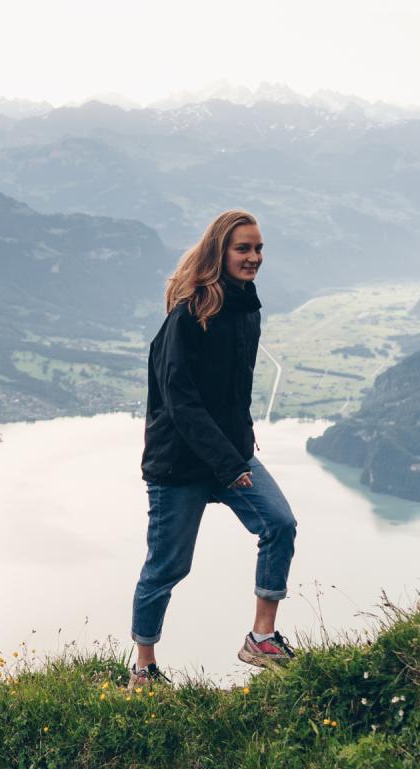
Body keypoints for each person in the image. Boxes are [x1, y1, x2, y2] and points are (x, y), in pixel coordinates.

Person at [130, 209, 299, 687]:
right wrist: (228, 461)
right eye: (243, 248)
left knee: (280, 524)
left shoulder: (248, 310)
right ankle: (144, 667)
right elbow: (180, 402)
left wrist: (241, 439)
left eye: (259, 248)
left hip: (230, 454)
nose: (253, 257)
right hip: (180, 463)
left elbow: (233, 389)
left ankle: (262, 638)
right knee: (168, 567)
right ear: (219, 252)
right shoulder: (187, 316)